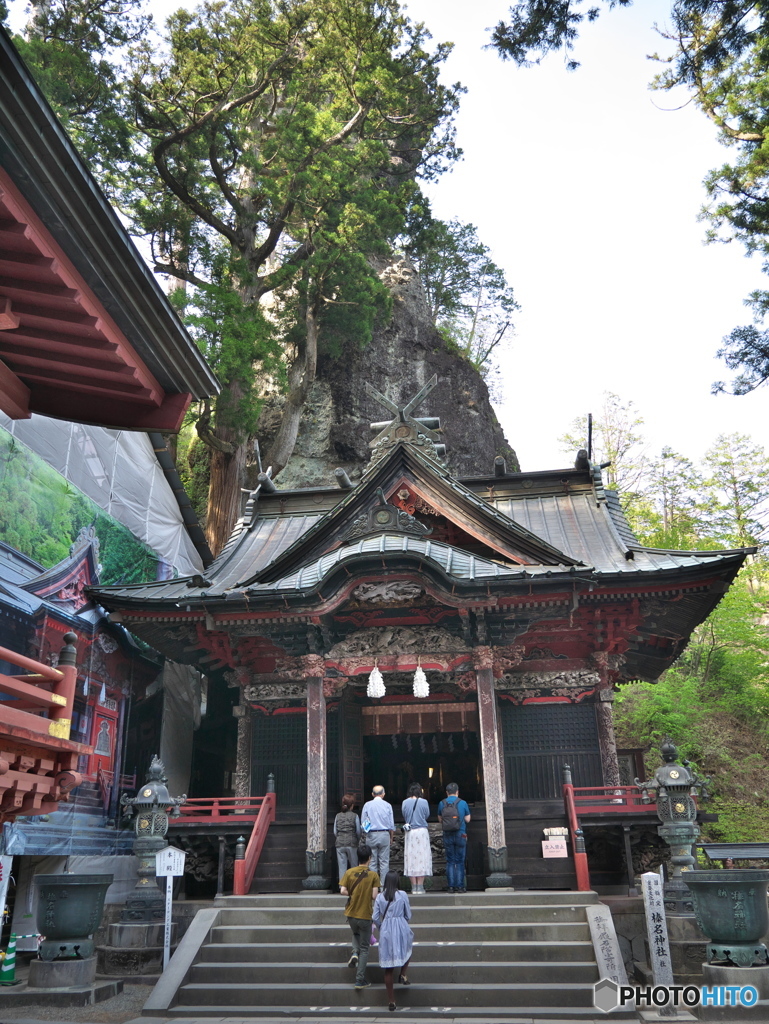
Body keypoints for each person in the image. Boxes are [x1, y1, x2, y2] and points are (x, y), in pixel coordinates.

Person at [339, 843, 380, 991]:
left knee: (355, 933)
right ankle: (359, 979)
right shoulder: (373, 875)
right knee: (365, 948)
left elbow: (343, 891)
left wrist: (353, 893)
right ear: (369, 858)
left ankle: (354, 953)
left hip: (351, 914)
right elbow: (374, 896)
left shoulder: (349, 873)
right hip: (365, 914)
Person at [373, 870, 413, 1012]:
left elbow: (375, 917)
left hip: (386, 929)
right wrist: (402, 921)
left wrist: (381, 926)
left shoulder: (379, 897)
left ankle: (391, 1000)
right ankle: (402, 973)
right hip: (401, 926)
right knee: (407, 949)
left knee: (388, 967)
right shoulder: (402, 895)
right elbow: (408, 914)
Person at [438, 782, 471, 893]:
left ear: (447, 792)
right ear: (457, 792)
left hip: (447, 834)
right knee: (460, 861)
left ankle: (451, 886)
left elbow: (440, 820)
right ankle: (460, 886)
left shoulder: (442, 803)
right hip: (461, 833)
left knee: (450, 861)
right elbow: (468, 819)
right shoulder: (463, 803)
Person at [401, 782, 432, 894]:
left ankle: (413, 886)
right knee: (422, 858)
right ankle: (420, 886)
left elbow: (404, 814)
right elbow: (427, 815)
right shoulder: (424, 802)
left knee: (411, 858)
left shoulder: (405, 802)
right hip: (422, 832)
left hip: (410, 832)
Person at [360, 785, 395, 879]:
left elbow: (363, 823)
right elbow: (391, 824)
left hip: (371, 834)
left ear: (372, 794)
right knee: (384, 862)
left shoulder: (367, 805)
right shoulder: (388, 805)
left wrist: (366, 834)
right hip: (384, 834)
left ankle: (373, 886)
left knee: (372, 862)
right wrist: (391, 837)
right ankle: (383, 886)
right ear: (383, 794)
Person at [334, 793, 361, 882]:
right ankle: (354, 884)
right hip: (351, 842)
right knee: (354, 866)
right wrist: (358, 839)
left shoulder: (337, 816)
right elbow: (358, 831)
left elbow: (335, 831)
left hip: (340, 843)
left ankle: (342, 886)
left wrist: (339, 837)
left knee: (342, 866)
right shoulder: (355, 816)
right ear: (352, 805)